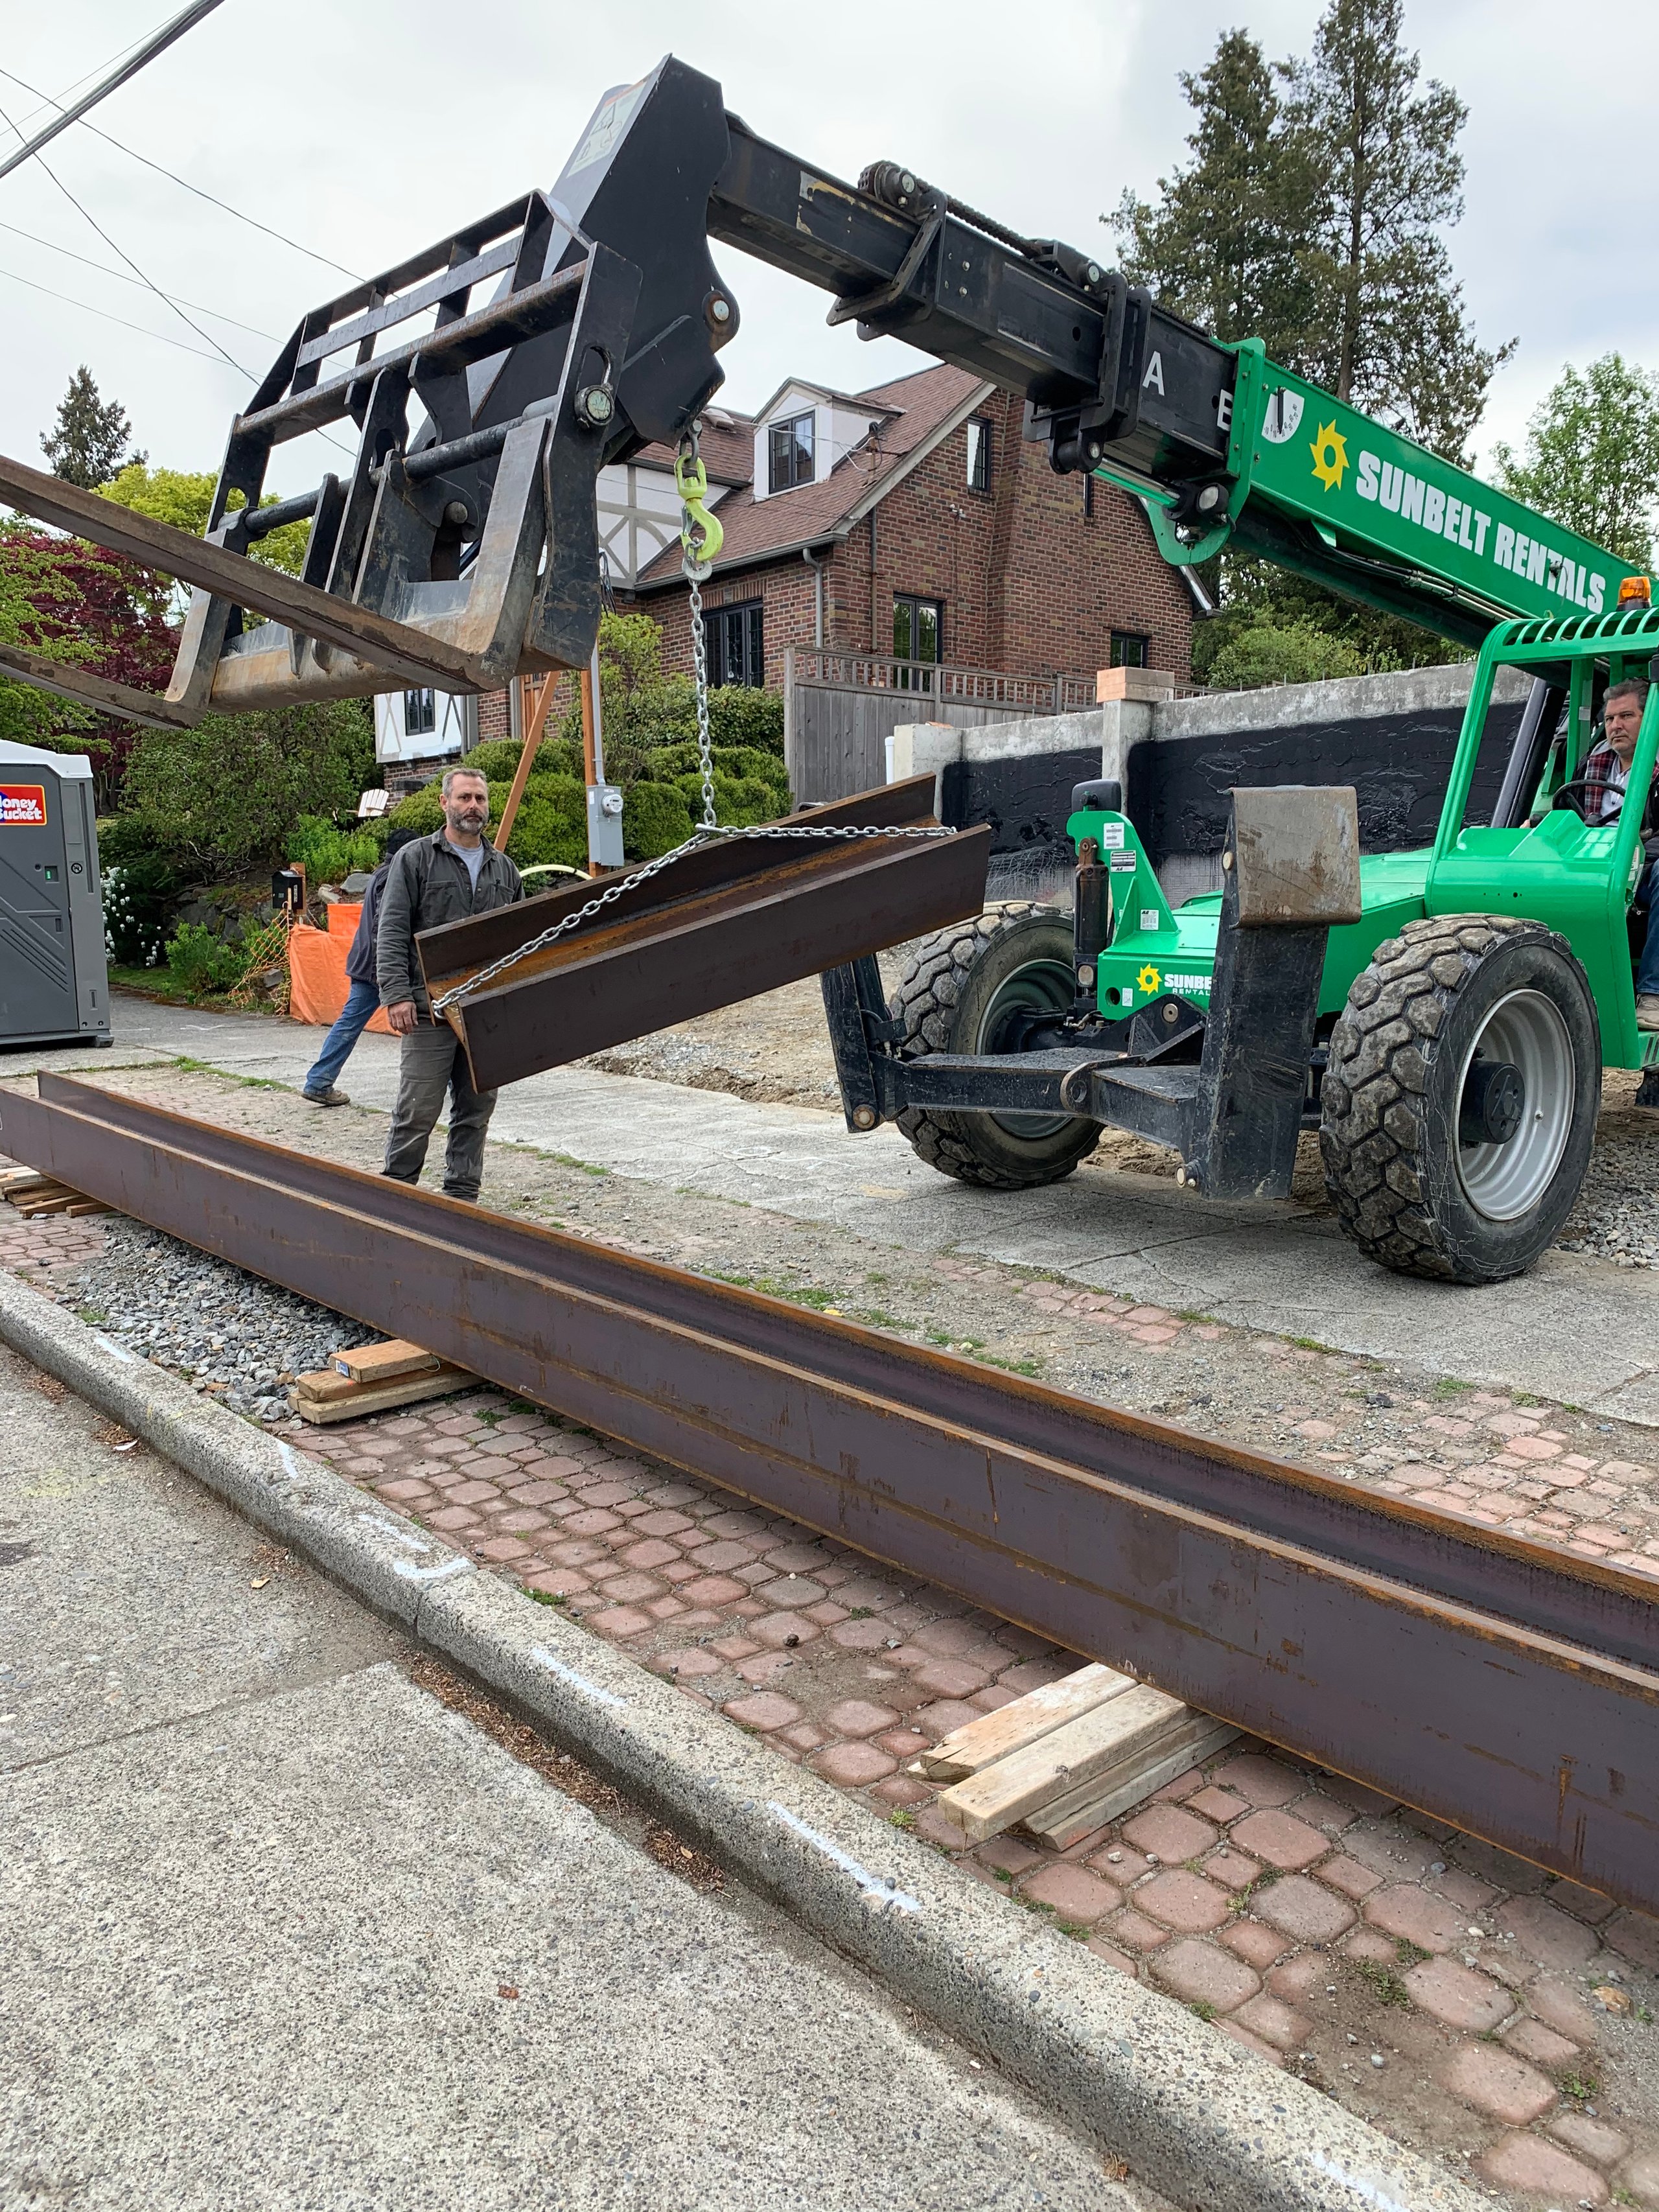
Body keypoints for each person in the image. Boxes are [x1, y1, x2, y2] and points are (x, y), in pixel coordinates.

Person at [376, 765, 524, 1200]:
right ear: (445, 803)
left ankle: (462, 1198)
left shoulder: (505, 870)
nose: (473, 806)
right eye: (464, 798)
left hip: (483, 1017)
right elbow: (392, 930)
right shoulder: (416, 859)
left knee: (476, 1110)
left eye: (480, 798)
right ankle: (397, 1195)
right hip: (428, 1012)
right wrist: (397, 995)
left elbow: (516, 946)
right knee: (417, 1109)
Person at [301, 825, 421, 1106]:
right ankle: (319, 1081)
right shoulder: (395, 876)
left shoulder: (381, 874)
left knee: (349, 1025)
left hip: (368, 964)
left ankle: (319, 1081)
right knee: (430, 1024)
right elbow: (385, 926)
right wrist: (390, 972)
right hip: (381, 968)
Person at [1576, 678, 1659, 1030]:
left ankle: (1653, 995)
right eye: (1610, 719)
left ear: (1650, 718)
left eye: (1627, 716)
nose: (1615, 726)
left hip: (1641, 866)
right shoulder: (1593, 764)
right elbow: (1570, 812)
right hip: (1590, 862)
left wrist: (1636, 849)